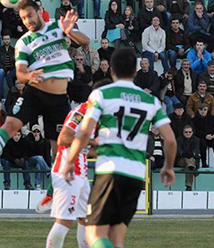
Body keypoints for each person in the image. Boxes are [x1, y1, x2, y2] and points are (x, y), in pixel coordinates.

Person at [63, 47, 176, 248]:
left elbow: (84, 133)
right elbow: (170, 140)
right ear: (134, 71)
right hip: (136, 174)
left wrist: (70, 161)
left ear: (112, 70)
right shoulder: (150, 100)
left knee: (93, 233)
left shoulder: (102, 94)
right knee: (117, 239)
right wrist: (168, 167)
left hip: (110, 169)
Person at [0, 0, 90, 178]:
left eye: (29, 16)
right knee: (10, 125)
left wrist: (70, 30)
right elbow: (20, 73)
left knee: (58, 149)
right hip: (35, 93)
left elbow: (86, 42)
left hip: (58, 99)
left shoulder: (58, 27)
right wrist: (28, 77)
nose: (27, 21)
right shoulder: (23, 42)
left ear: (40, 11)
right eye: (23, 18)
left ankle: (51, 193)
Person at [46, 102, 92, 248]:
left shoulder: (94, 115)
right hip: (68, 173)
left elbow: (83, 148)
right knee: (65, 220)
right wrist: (93, 141)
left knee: (86, 218)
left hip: (81, 173)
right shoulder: (81, 113)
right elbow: (64, 139)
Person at [192, 104, 214, 168]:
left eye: (205, 109)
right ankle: (204, 162)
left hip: (212, 137)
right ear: (198, 110)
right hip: (201, 137)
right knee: (202, 143)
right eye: (201, 109)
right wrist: (205, 135)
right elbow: (195, 130)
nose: (203, 111)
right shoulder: (195, 119)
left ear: (207, 110)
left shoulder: (212, 118)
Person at [176, 125, 200, 191]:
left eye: (189, 132)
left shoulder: (196, 140)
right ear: (183, 133)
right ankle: (194, 169)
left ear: (192, 132)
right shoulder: (179, 139)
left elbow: (196, 150)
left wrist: (189, 154)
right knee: (189, 160)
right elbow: (178, 151)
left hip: (191, 160)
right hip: (181, 160)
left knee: (189, 164)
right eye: (186, 132)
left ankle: (188, 186)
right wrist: (187, 154)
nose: (188, 133)